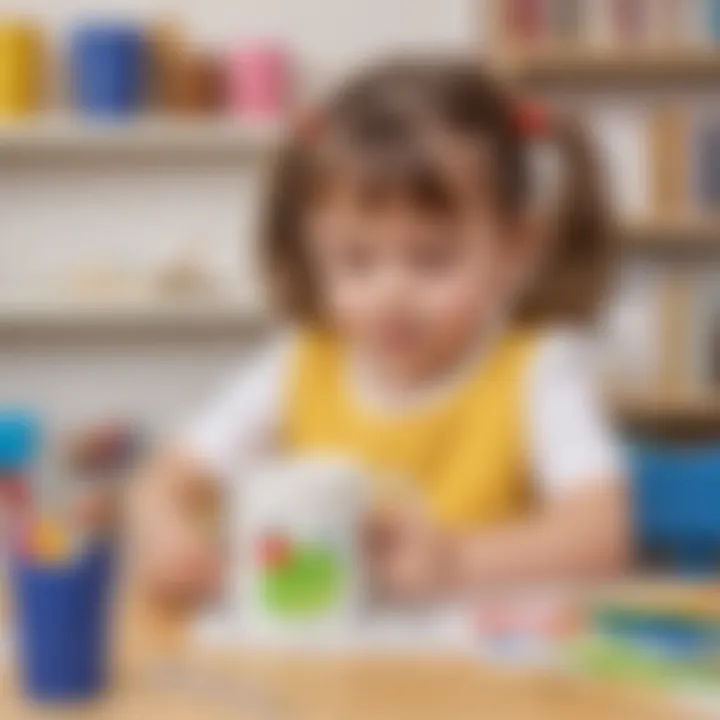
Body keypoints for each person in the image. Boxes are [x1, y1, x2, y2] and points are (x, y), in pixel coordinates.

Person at [130, 57, 629, 606]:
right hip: (327, 670)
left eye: (433, 260)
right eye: (356, 262)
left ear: (515, 250)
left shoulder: (541, 370)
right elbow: (163, 482)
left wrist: (457, 561)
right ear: (311, 252)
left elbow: (601, 540)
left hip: (485, 678)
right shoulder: (298, 364)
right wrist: (167, 534)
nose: (392, 294)